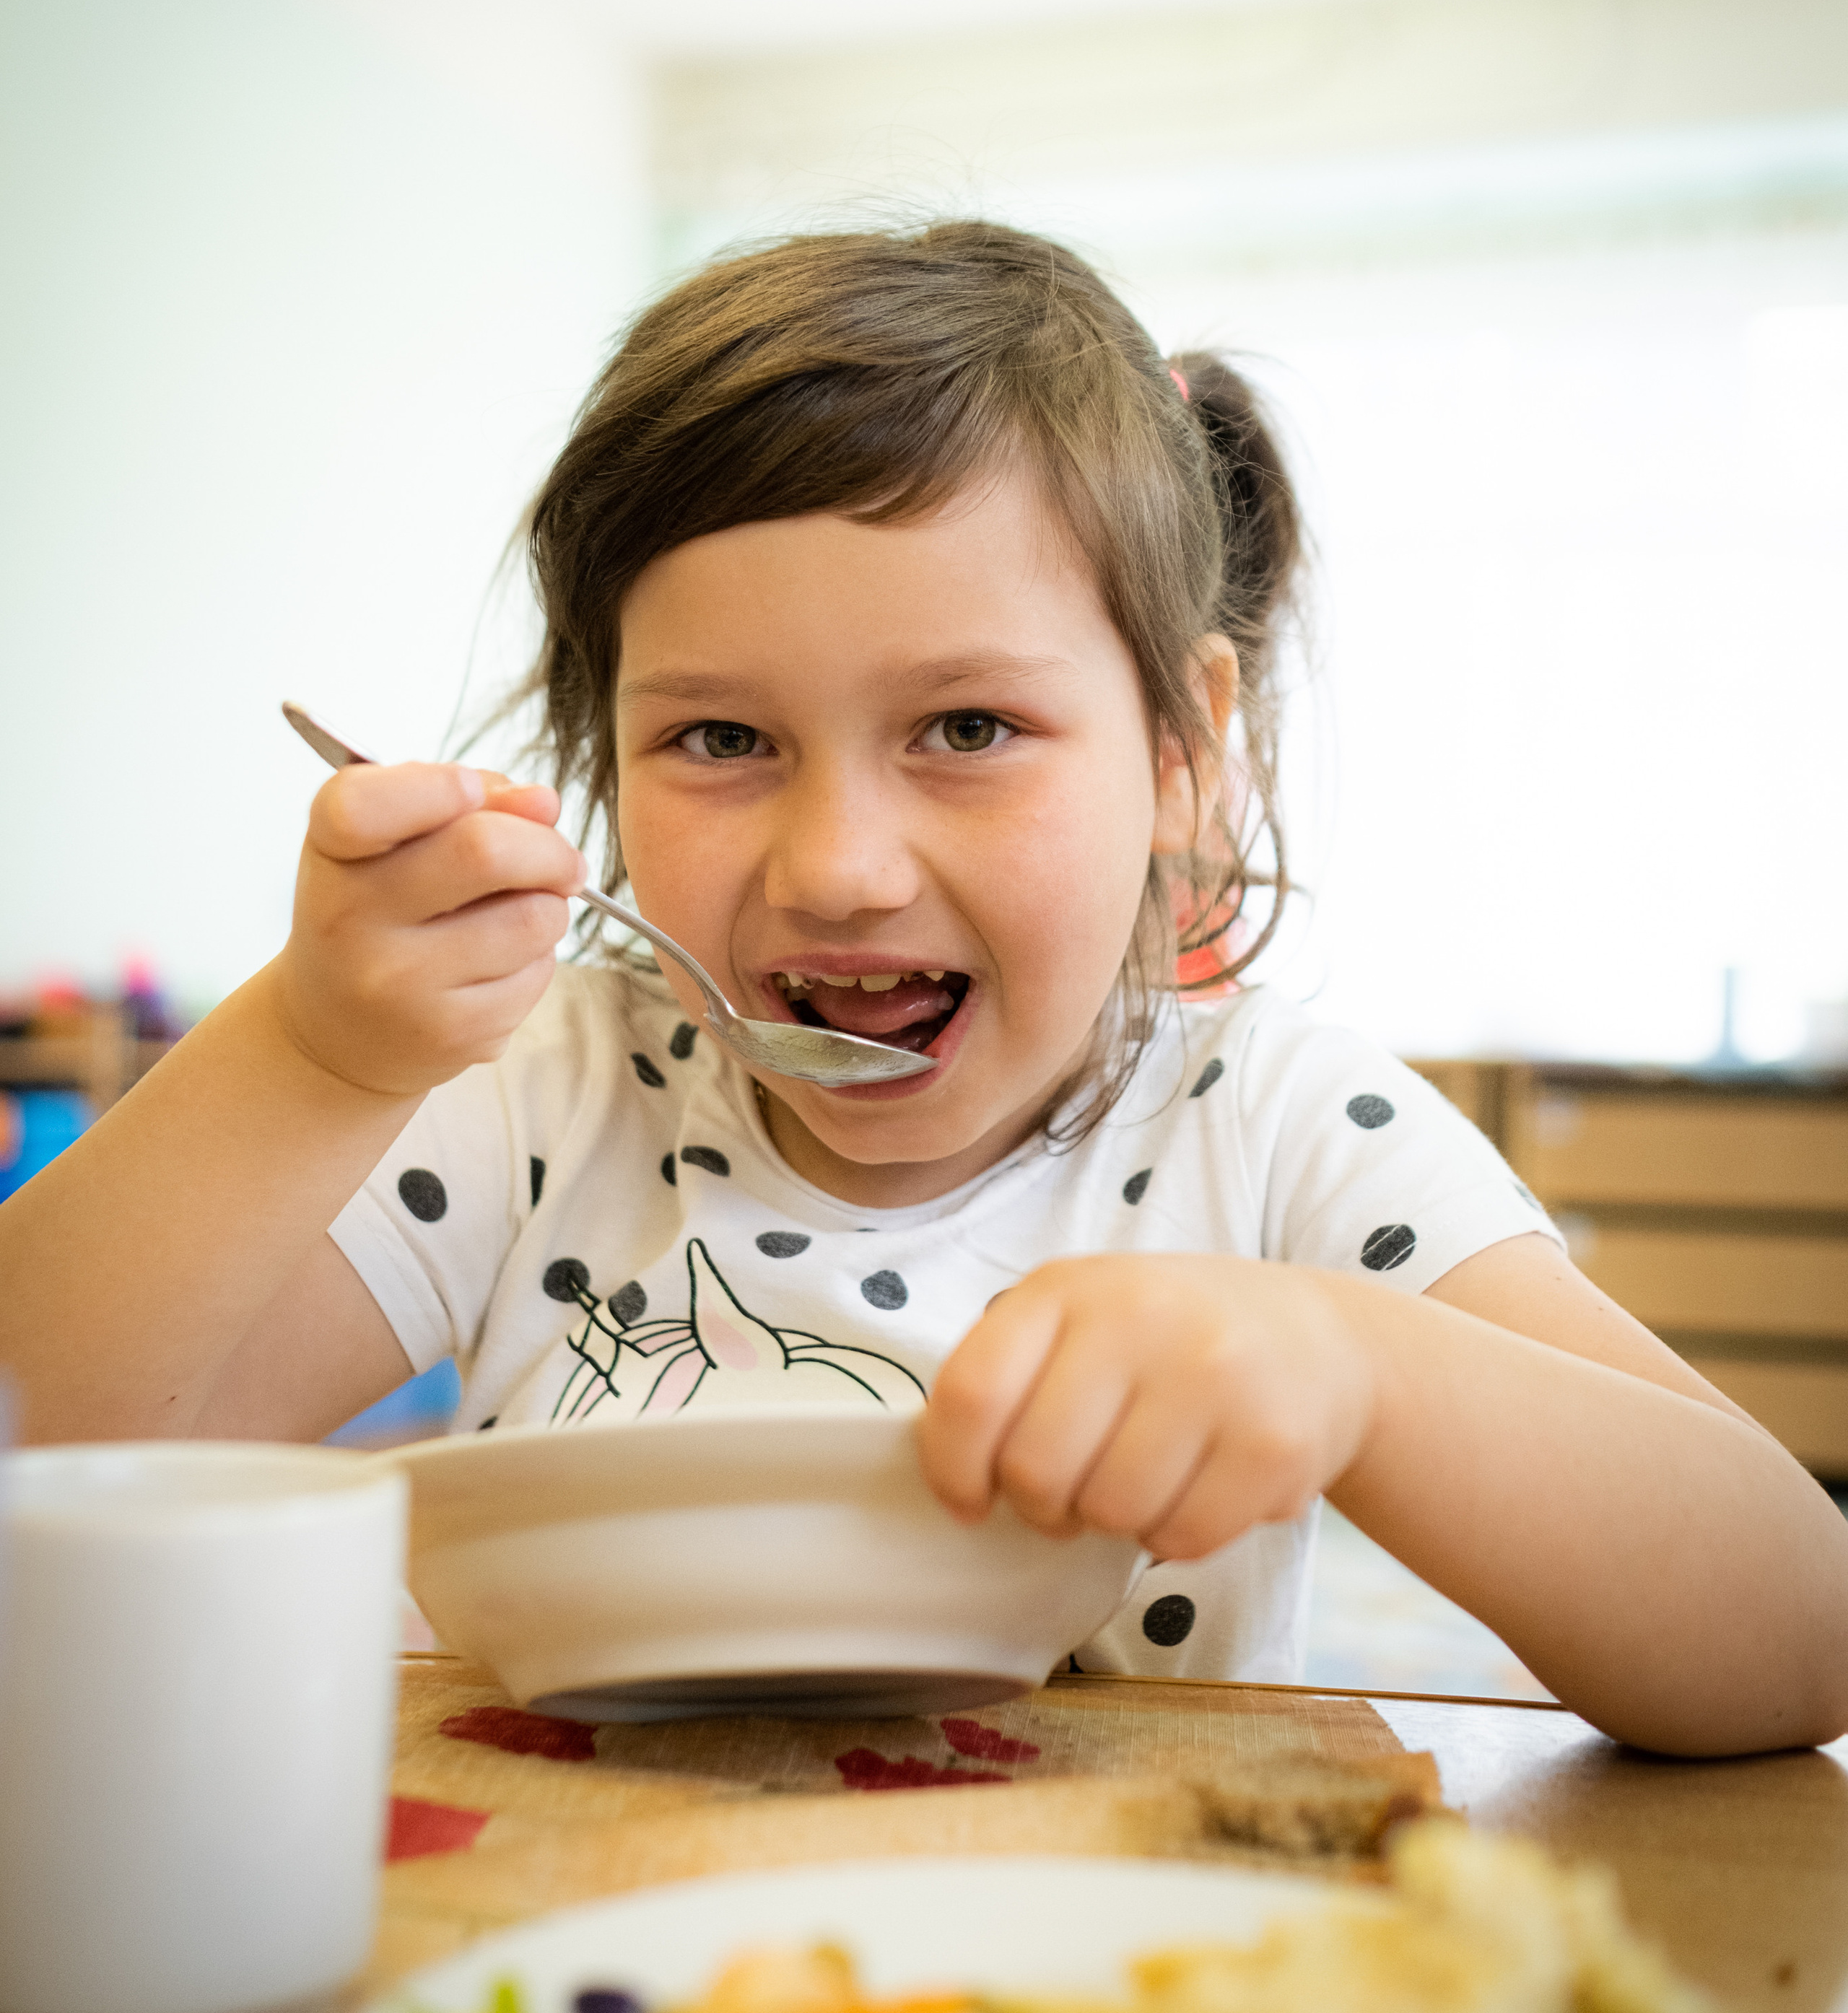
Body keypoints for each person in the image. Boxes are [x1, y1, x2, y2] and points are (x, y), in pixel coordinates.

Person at [5, 220, 1845, 1755]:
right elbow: (54, 1454)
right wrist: (315, 1055)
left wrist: (1358, 1366)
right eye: (720, 736)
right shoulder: (542, 1091)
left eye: (967, 727)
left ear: (1182, 749)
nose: (838, 864)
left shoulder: (1282, 1138)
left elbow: (1790, 1634)